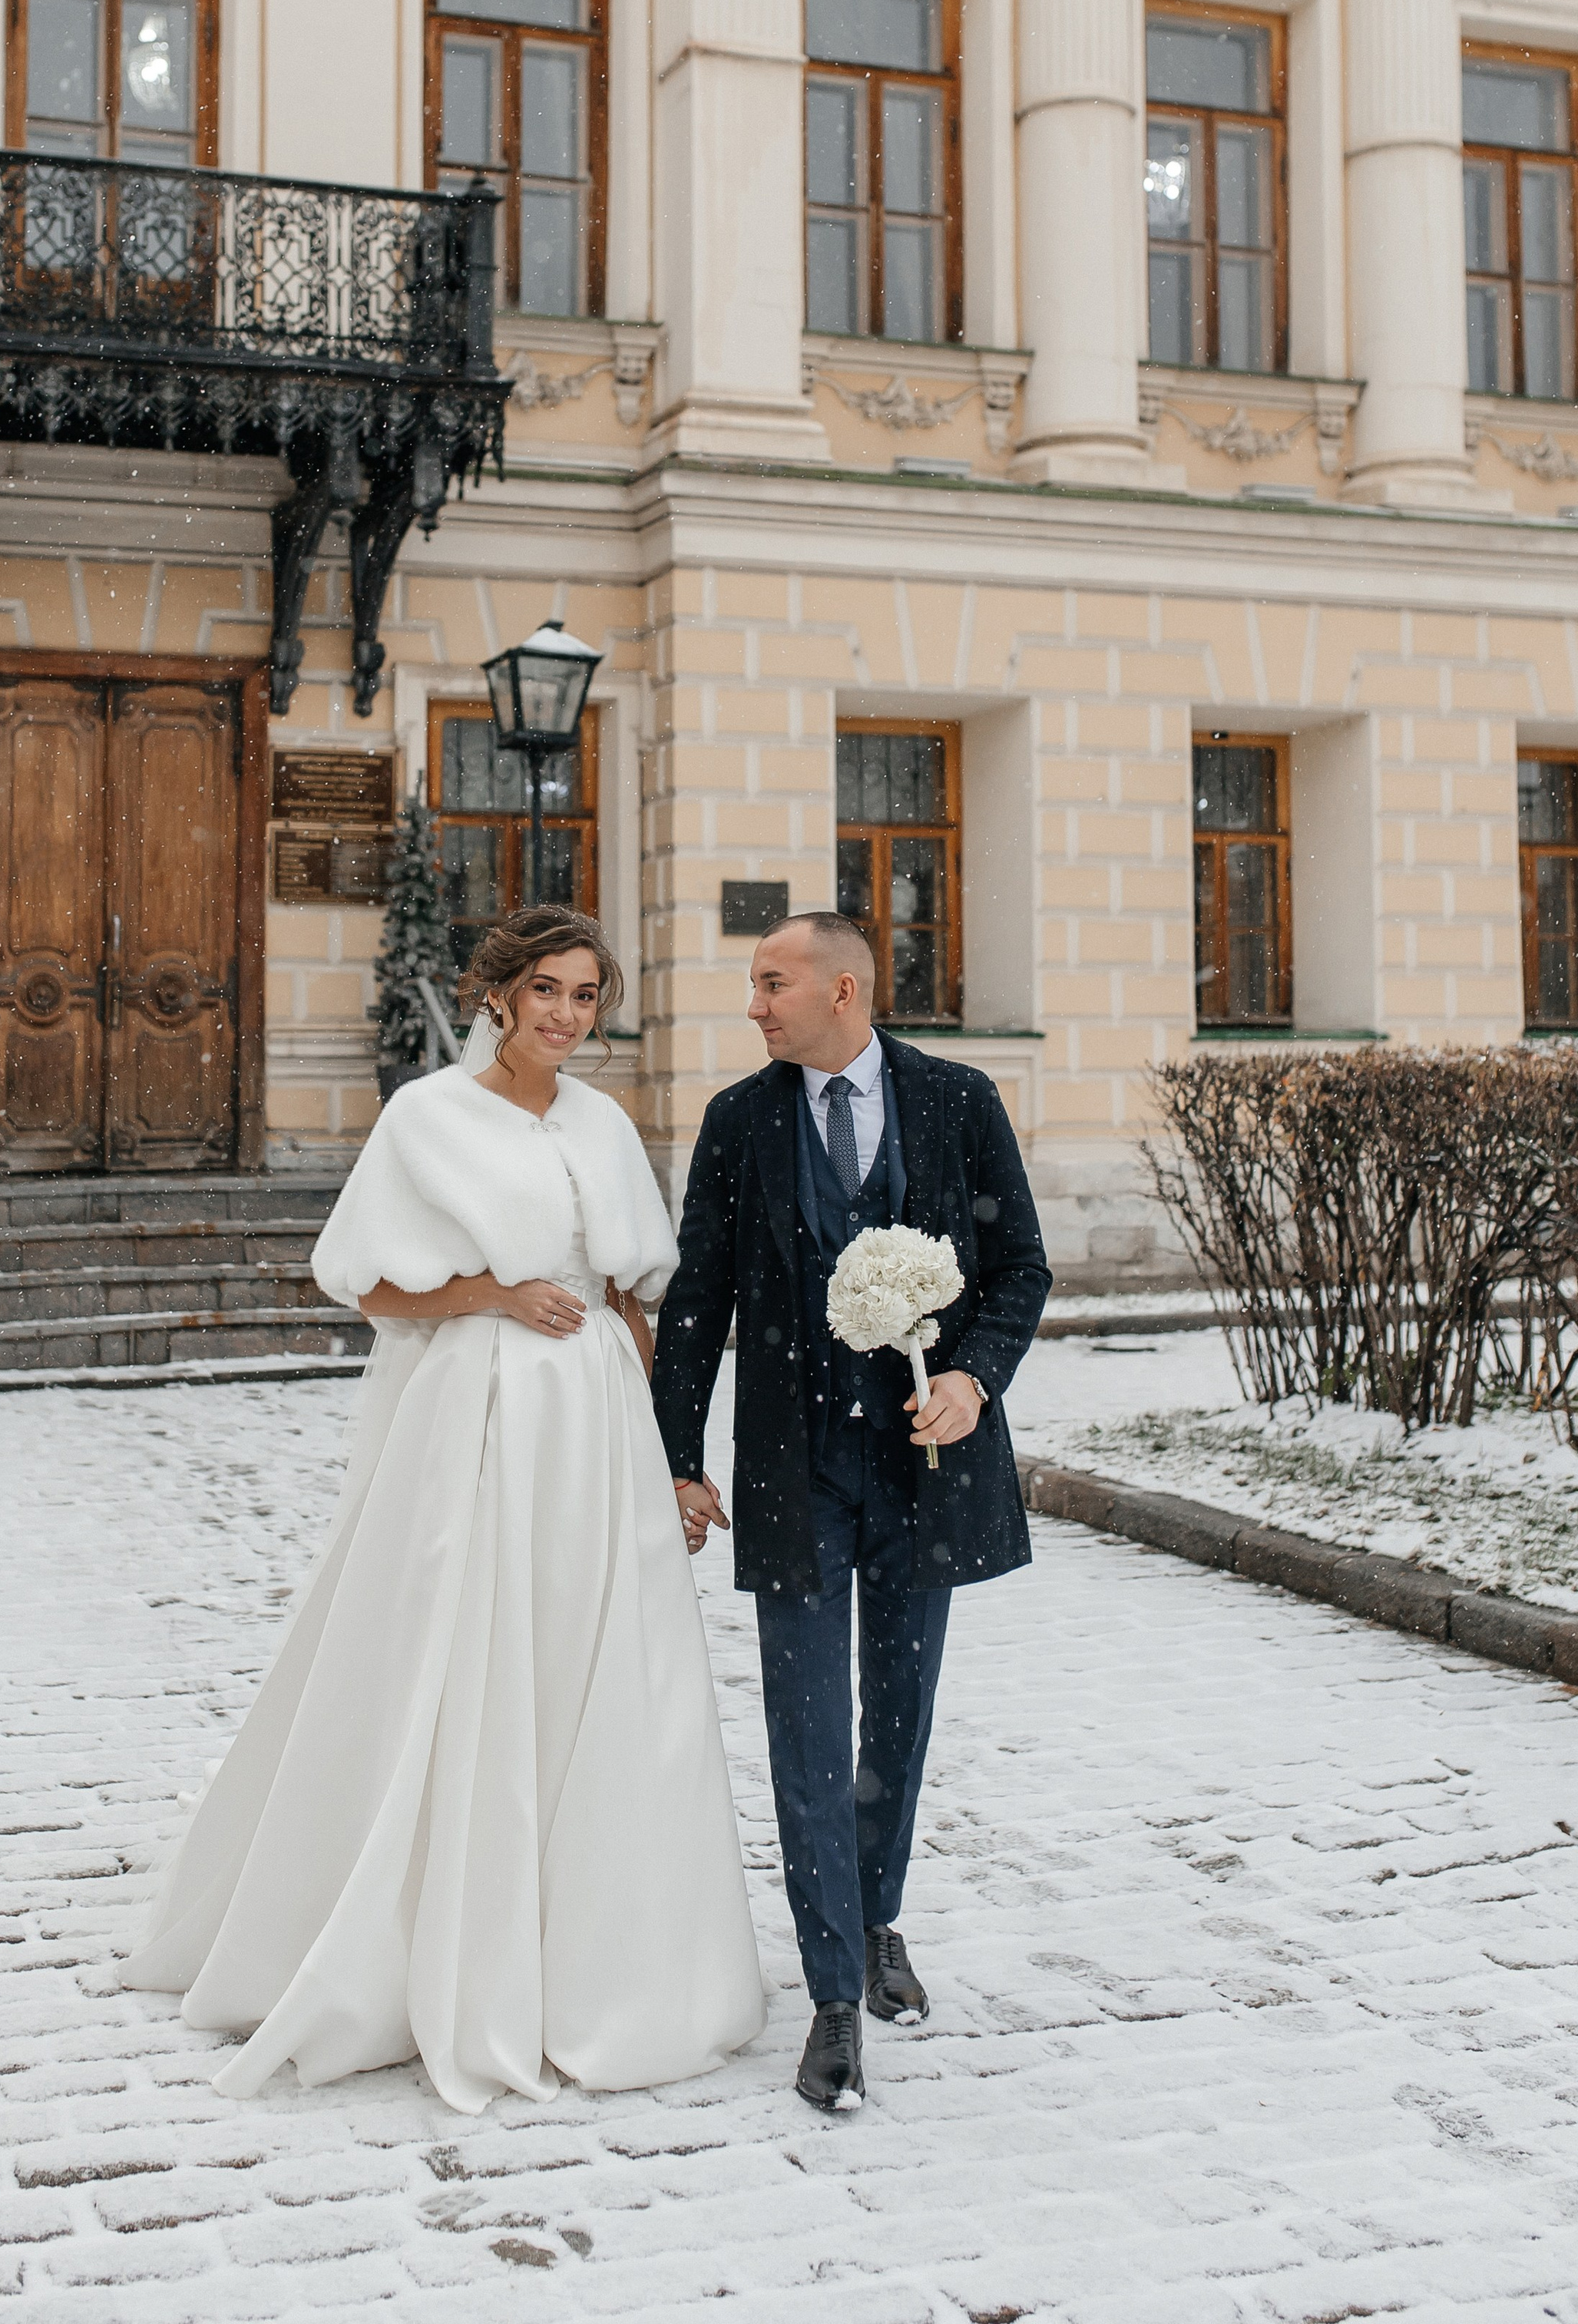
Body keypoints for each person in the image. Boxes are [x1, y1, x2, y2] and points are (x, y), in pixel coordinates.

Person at [125, 905, 765, 2114]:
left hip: (599, 1426)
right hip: (480, 1410)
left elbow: (637, 1298)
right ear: (499, 995)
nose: (568, 1016)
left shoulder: (605, 1121)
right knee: (462, 1650)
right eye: (549, 992)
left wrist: (670, 1455)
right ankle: (425, 1935)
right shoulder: (430, 1117)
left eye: (587, 995)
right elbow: (367, 1278)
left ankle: (600, 1949)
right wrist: (495, 1293)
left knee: (600, 1661)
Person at [653, 911, 1050, 2115]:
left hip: (928, 1470)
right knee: (808, 1730)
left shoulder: (958, 1101)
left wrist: (975, 1379)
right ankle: (833, 1993)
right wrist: (675, 1455)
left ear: (843, 987)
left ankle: (879, 1917)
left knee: (901, 1714)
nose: (756, 1005)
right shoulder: (740, 1121)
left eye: (771, 983)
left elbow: (1021, 1264)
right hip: (793, 1467)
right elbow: (700, 1300)